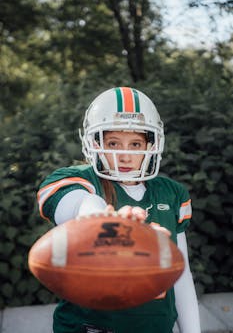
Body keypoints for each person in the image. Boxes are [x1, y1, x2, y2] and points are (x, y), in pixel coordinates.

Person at [37, 87, 201, 333]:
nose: (124, 155)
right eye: (114, 142)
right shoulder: (80, 180)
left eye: (135, 144)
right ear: (95, 143)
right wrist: (103, 220)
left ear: (151, 144)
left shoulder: (171, 193)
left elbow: (181, 274)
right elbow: (75, 203)